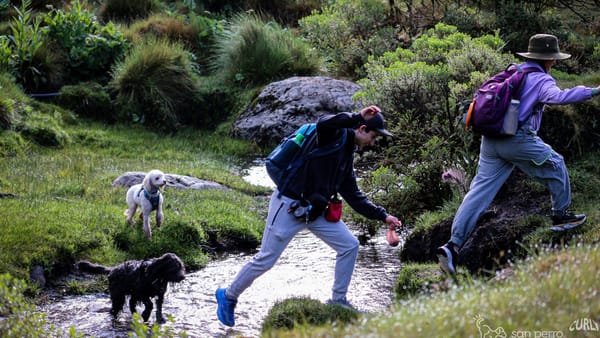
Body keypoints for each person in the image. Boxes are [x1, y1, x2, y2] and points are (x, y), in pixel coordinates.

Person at [215, 105, 403, 327]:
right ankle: (228, 296)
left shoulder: (346, 157)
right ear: (361, 128)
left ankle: (338, 300)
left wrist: (384, 217)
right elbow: (325, 122)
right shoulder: (333, 136)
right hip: (288, 205)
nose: (373, 143)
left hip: (315, 212)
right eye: (373, 137)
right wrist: (357, 115)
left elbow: (354, 196)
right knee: (266, 259)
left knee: (349, 245)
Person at [437, 33, 600, 275]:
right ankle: (561, 216)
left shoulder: (515, 71)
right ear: (549, 59)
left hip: (490, 141)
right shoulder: (541, 79)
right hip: (516, 138)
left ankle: (452, 246)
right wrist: (595, 91)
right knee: (556, 163)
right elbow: (559, 97)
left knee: (478, 192)